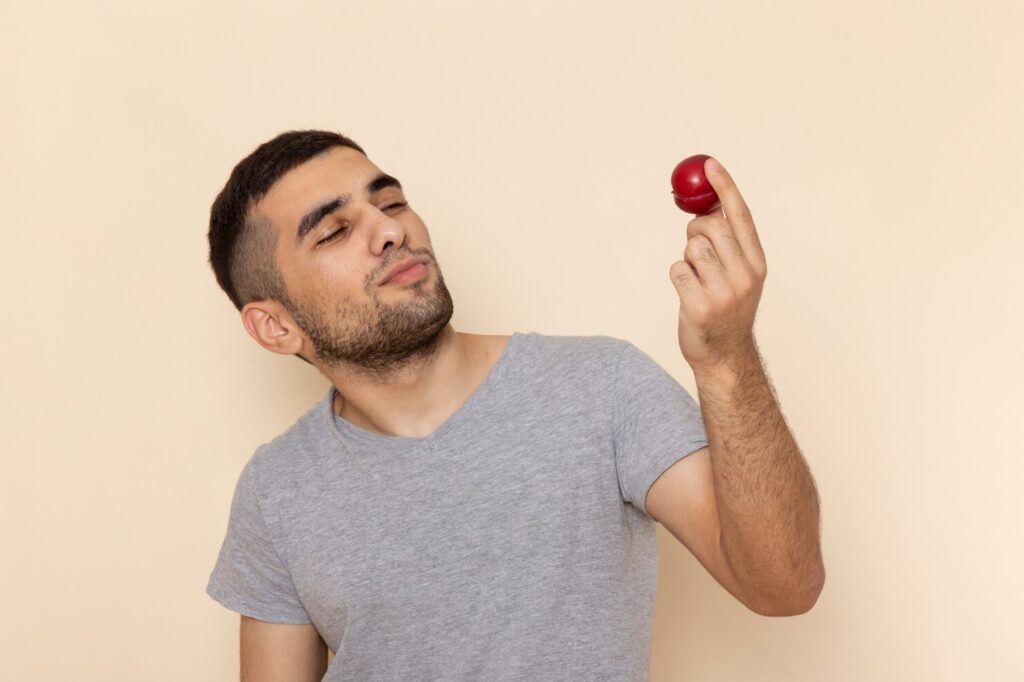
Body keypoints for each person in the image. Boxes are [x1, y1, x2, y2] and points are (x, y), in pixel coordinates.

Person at [204, 130, 825, 681]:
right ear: (275, 327)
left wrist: (726, 357)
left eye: (391, 203)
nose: (392, 231)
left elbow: (784, 584)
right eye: (335, 232)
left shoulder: (602, 386)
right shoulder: (276, 489)